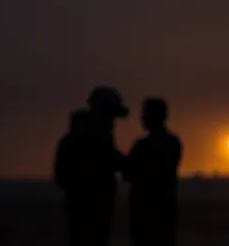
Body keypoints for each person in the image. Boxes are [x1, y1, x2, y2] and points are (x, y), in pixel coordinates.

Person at [53, 87, 129, 246]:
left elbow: (60, 176)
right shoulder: (94, 136)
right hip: (91, 209)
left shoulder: (75, 136)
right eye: (111, 116)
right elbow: (111, 159)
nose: (113, 123)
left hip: (82, 206)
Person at [125, 97, 183, 246]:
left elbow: (128, 173)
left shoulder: (142, 146)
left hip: (148, 213)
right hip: (162, 212)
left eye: (145, 114)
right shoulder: (172, 143)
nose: (141, 119)